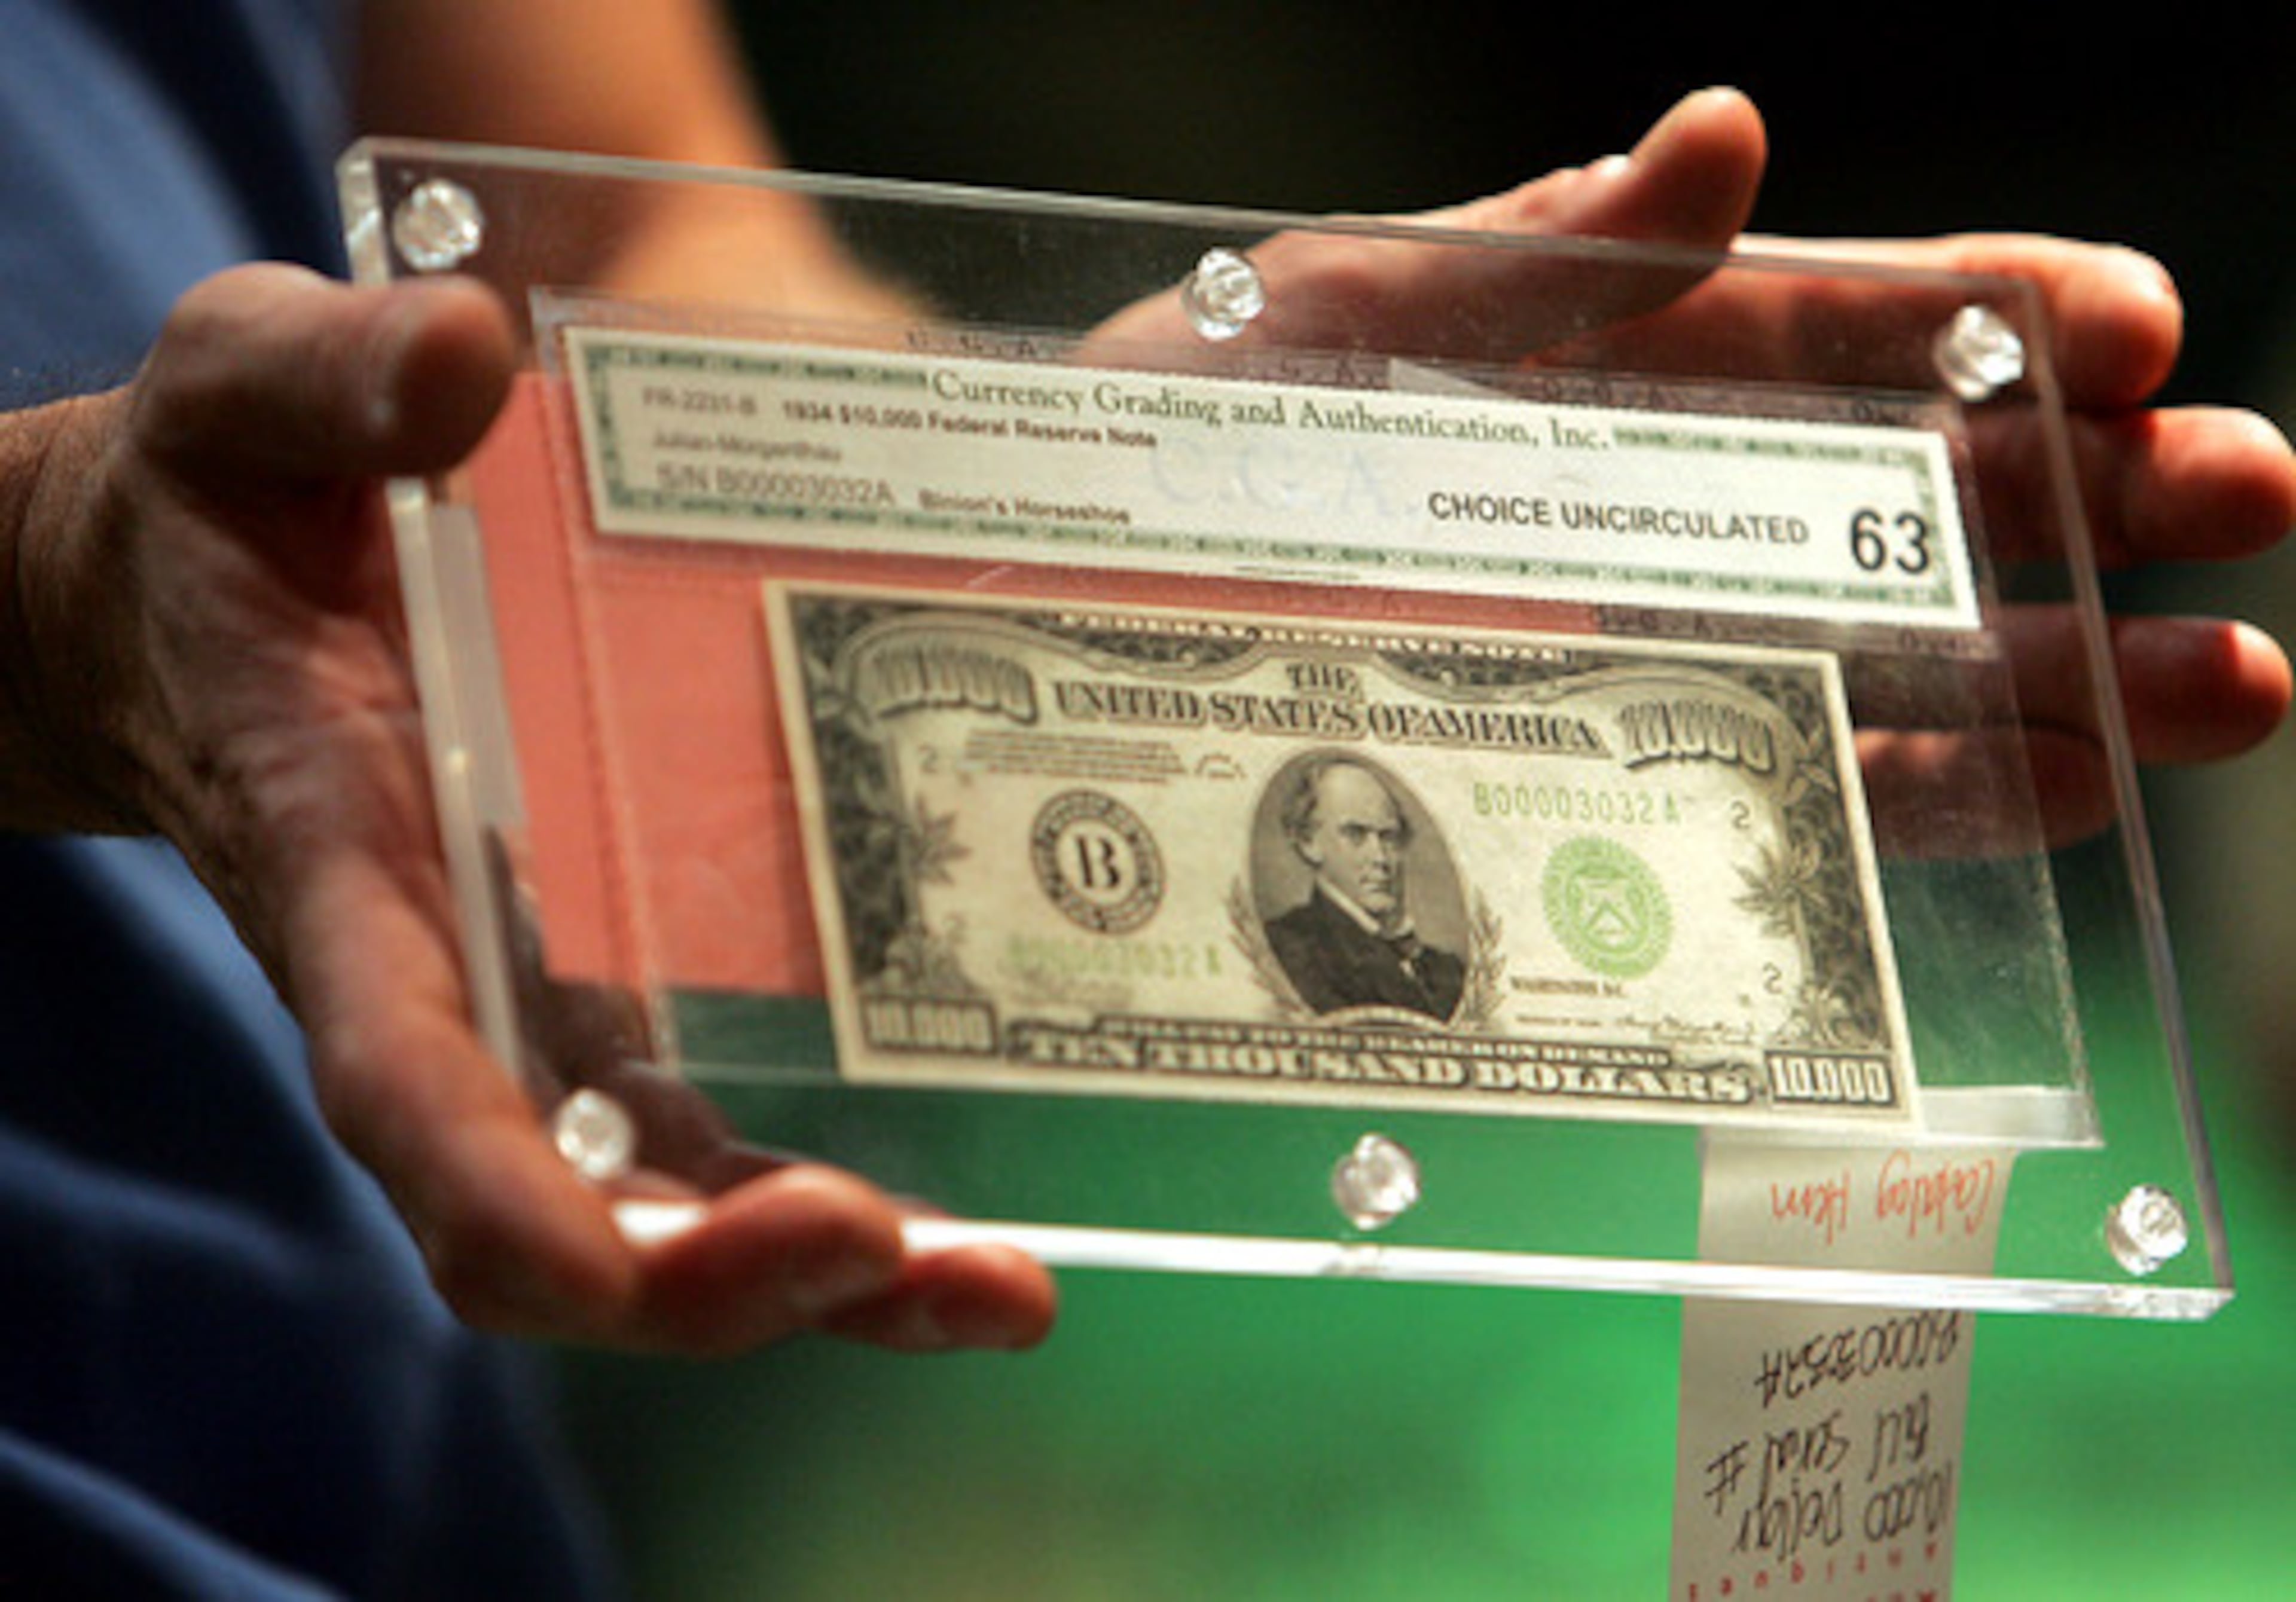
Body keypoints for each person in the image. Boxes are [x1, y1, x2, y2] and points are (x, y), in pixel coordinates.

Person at [2, 0, 2291, 1588]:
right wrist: (45, 601)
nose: (1371, 838)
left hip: (349, 1450)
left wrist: (1092, 494)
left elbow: (620, 261)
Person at [1263, 756, 1467, 1019]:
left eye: (1389, 837)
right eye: (1356, 834)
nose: (1380, 858)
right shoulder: (1287, 952)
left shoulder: (1448, 972)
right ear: (1309, 842)